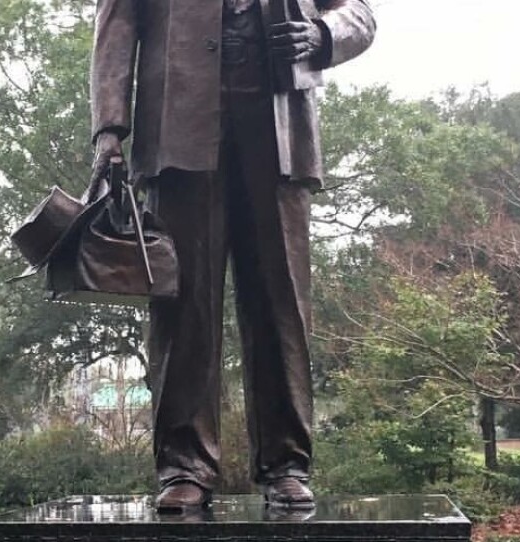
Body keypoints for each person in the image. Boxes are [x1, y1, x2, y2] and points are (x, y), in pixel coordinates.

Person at [88, 0, 376, 511]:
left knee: (280, 302)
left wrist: (322, 35)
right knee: (183, 307)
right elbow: (117, 24)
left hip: (277, 125)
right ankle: (184, 467)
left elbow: (357, 11)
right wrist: (109, 129)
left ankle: (286, 464)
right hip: (177, 129)